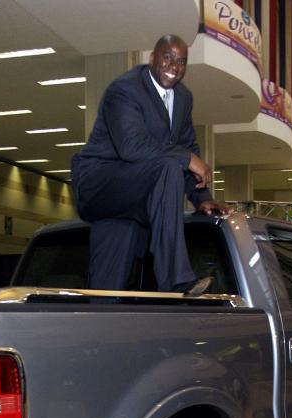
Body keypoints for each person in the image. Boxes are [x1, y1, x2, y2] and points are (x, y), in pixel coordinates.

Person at [71, 34, 233, 296]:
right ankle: (176, 279)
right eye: (167, 58)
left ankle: (99, 329)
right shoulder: (124, 89)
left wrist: (201, 196)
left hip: (130, 203)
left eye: (181, 61)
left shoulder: (183, 98)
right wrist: (187, 159)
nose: (173, 66)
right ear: (152, 59)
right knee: (169, 166)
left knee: (105, 293)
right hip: (100, 184)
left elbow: (188, 144)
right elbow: (131, 146)